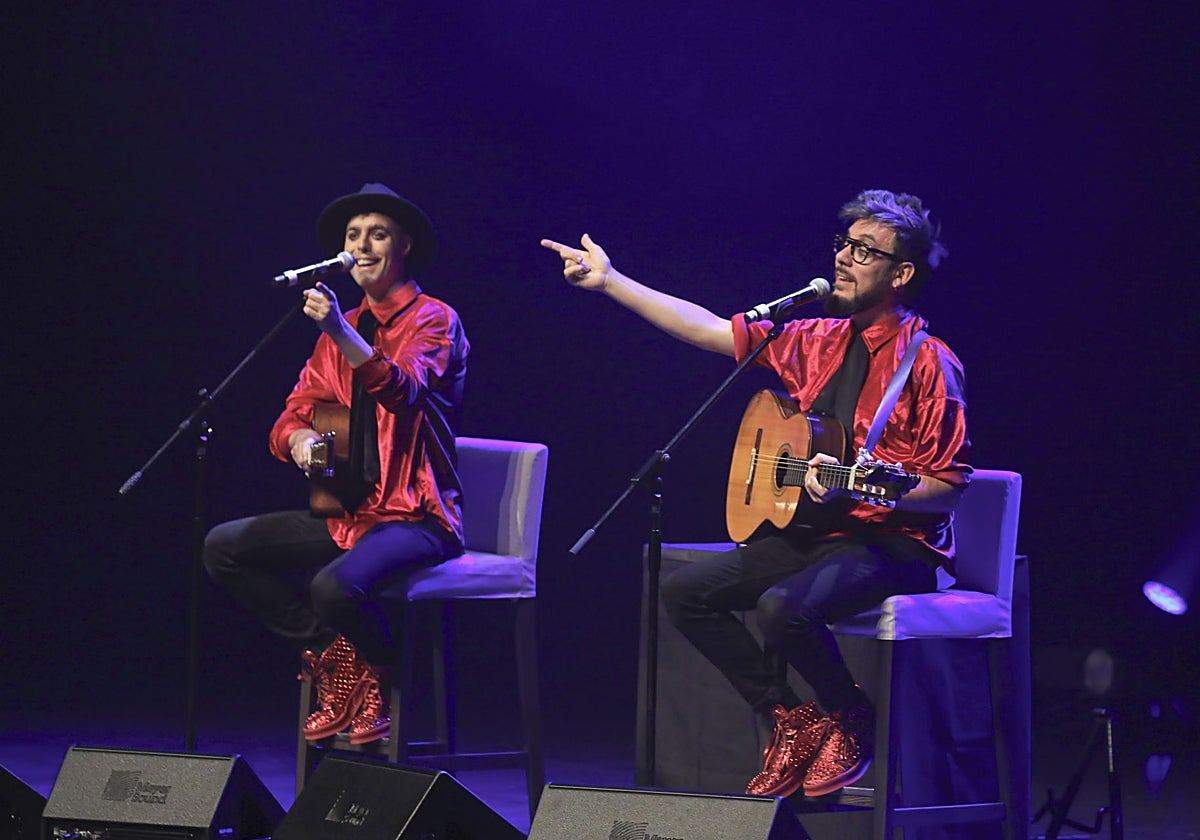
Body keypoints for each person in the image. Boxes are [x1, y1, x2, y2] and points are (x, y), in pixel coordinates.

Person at [541, 189, 969, 798]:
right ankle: (789, 717)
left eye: (864, 251)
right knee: (685, 592)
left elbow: (947, 491)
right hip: (817, 536)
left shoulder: (930, 364)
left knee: (782, 609)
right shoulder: (813, 337)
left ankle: (850, 716)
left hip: (892, 546)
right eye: (844, 245)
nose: (845, 259)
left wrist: (873, 488)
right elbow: (711, 330)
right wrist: (612, 282)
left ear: (901, 274)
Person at [204, 182, 469, 745]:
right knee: (224, 548)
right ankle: (340, 660)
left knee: (333, 588)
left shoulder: (434, 320)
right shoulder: (337, 331)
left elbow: (400, 389)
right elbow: (289, 415)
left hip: (416, 517)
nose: (362, 245)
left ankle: (381, 675)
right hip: (348, 511)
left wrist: (340, 331)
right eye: (353, 236)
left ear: (405, 247)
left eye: (378, 234)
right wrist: (298, 438)